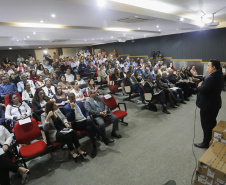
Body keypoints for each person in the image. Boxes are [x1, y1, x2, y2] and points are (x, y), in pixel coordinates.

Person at [64, 93, 110, 158]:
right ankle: (100, 133)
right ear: (68, 99)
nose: (73, 100)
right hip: (77, 124)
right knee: (90, 121)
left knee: (89, 128)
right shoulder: (66, 107)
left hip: (85, 120)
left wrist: (88, 115)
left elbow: (85, 111)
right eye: (71, 99)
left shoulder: (79, 103)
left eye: (74, 98)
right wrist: (72, 109)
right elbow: (70, 119)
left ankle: (94, 147)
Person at [195, 59, 223, 148]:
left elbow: (203, 90)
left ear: (213, 68)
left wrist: (199, 86)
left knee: (206, 124)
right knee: (211, 123)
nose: (207, 67)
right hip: (214, 103)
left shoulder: (212, 77)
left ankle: (206, 142)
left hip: (208, 105)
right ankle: (211, 139)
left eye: (208, 65)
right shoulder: (219, 74)